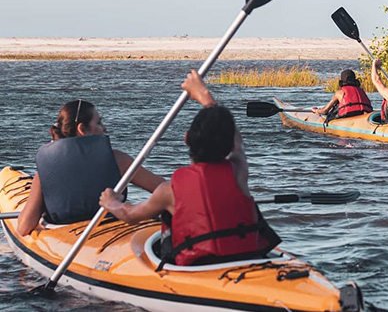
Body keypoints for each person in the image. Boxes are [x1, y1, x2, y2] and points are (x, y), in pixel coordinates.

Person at [99, 70, 280, 267]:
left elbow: (130, 215)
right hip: (248, 258)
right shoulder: (238, 171)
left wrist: (111, 203)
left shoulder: (169, 191)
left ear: (186, 139)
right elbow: (237, 142)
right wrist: (204, 96)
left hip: (198, 268)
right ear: (228, 146)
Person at [17, 100, 165, 236]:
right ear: (82, 129)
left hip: (68, 237)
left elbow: (24, 228)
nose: (104, 127)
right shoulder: (117, 159)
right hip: (114, 232)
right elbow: (166, 189)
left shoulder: (45, 172)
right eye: (99, 123)